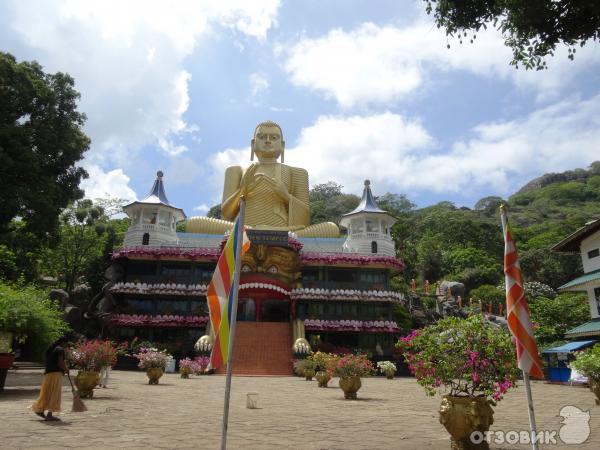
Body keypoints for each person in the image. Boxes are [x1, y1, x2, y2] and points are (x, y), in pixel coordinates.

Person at [186, 121, 339, 237]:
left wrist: (286, 196)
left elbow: (303, 221)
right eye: (262, 137)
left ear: (282, 145)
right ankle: (255, 233)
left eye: (273, 137)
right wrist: (243, 190)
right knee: (194, 223)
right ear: (253, 144)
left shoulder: (297, 173)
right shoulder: (236, 171)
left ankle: (268, 234)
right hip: (241, 228)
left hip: (284, 231)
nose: (267, 141)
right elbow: (226, 215)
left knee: (331, 229)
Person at [31, 336, 69, 421]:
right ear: (63, 342)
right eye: (66, 344)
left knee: (46, 392)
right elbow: (60, 363)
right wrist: (66, 369)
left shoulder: (51, 349)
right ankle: (49, 414)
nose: (66, 346)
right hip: (56, 374)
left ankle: (39, 409)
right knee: (54, 394)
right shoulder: (60, 349)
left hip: (48, 374)